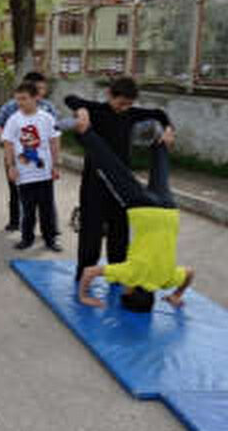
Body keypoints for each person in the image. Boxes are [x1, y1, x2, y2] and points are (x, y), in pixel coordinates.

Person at [72, 113, 193, 311]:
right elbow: (89, 272)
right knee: (114, 169)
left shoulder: (165, 280)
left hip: (169, 212)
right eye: (125, 291)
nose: (124, 289)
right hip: (144, 210)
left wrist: (176, 294)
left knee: (160, 172)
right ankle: (86, 131)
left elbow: (190, 273)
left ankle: (163, 138)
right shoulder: (131, 275)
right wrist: (84, 297)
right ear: (130, 291)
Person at [64, 77, 175, 283]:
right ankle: (84, 275)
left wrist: (168, 129)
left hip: (121, 184)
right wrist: (82, 111)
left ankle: (118, 274)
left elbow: (159, 114)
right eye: (121, 103)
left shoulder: (131, 115)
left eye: (129, 104)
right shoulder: (97, 110)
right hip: (94, 182)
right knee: (91, 231)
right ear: (110, 95)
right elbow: (69, 98)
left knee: (120, 230)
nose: (124, 108)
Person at [0, 72, 59, 232]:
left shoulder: (48, 109)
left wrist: (55, 161)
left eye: (42, 88)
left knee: (46, 197)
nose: (40, 92)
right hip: (17, 159)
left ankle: (51, 229)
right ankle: (17, 222)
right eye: (37, 88)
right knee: (16, 191)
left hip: (41, 160)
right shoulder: (11, 107)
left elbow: (55, 134)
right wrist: (11, 141)